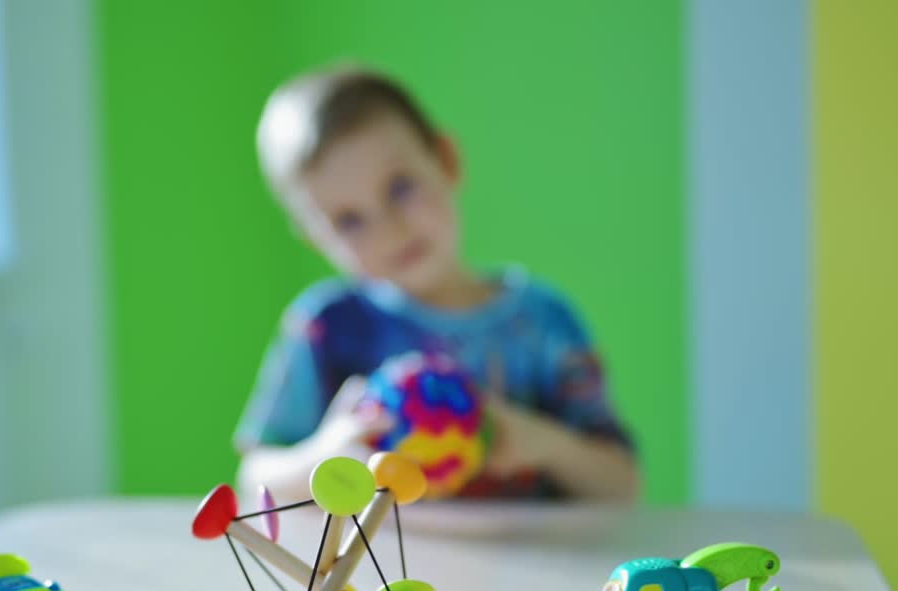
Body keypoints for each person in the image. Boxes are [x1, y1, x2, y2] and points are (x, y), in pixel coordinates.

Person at [235, 66, 638, 502]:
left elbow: (623, 485)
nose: (389, 228)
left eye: (400, 187)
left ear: (446, 161)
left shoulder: (544, 322)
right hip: (381, 568)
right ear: (318, 240)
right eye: (349, 220)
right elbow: (254, 479)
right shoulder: (326, 326)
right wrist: (321, 455)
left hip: (530, 566)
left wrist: (544, 444)